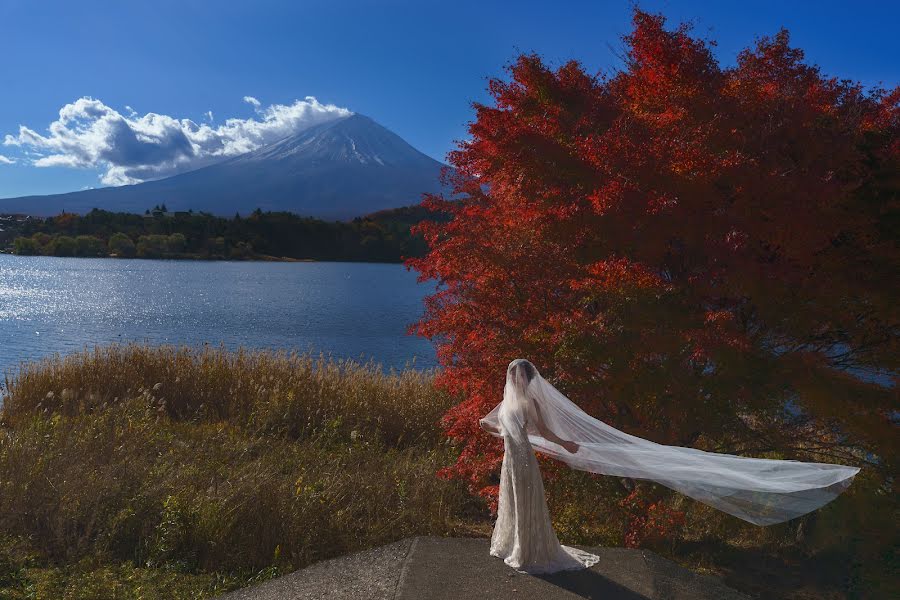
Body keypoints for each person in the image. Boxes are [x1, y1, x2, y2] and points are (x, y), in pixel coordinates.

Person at [479, 359, 860, 575]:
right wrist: (559, 443)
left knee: (522, 503)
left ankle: (523, 549)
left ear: (517, 379)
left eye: (516, 377)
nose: (519, 381)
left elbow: (519, 428)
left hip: (519, 461)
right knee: (521, 503)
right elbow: (522, 428)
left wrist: (567, 445)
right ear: (527, 380)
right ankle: (523, 549)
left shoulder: (519, 404)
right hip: (519, 461)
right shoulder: (521, 404)